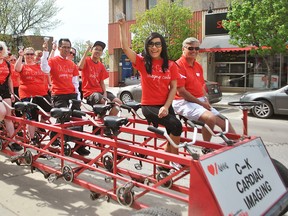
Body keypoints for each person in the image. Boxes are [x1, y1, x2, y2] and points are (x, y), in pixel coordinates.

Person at [118, 19, 183, 170]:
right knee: (176, 125)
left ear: (162, 46)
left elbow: (173, 88)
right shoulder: (142, 62)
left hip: (165, 105)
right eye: (151, 44)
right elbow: (125, 48)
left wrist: (166, 106)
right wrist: (122, 27)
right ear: (147, 47)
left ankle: (164, 166)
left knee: (172, 132)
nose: (154, 47)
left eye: (157, 44)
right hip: (149, 106)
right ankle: (176, 159)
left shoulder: (171, 65)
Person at [172, 37, 236, 142]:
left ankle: (237, 146)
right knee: (210, 118)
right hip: (182, 102)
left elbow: (201, 86)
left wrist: (206, 99)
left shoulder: (198, 66)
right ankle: (206, 146)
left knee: (225, 123)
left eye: (197, 48)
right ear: (183, 49)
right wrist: (201, 104)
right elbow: (181, 92)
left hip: (198, 101)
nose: (194, 51)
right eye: (191, 48)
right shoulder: (178, 65)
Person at [41, 38, 90, 156]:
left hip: (72, 94)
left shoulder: (72, 64)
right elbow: (44, 69)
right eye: (64, 47)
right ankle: (56, 135)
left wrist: (77, 98)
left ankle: (79, 145)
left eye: (69, 47)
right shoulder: (53, 61)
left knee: (79, 118)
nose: (67, 50)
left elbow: (75, 83)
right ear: (59, 48)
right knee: (64, 117)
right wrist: (45, 53)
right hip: (59, 95)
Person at [14, 47, 51, 144]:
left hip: (41, 93)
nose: (29, 56)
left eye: (31, 54)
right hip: (27, 94)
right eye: (27, 54)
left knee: (50, 111)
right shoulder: (22, 66)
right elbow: (16, 68)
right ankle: (32, 138)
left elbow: (47, 68)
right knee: (32, 116)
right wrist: (20, 56)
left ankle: (39, 126)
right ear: (24, 55)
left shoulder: (39, 66)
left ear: (34, 55)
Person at [78, 41, 122, 116]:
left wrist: (105, 93)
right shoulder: (86, 60)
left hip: (100, 92)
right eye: (96, 49)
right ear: (91, 50)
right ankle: (101, 118)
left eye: (100, 50)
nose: (98, 51)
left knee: (118, 103)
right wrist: (86, 50)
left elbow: (102, 82)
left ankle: (108, 122)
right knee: (104, 101)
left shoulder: (101, 66)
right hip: (90, 93)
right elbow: (79, 67)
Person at [0, 41, 22, 151]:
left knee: (8, 116)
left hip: (4, 90)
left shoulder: (7, 63)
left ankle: (13, 141)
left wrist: (12, 93)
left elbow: (9, 80)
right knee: (2, 112)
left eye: (0, 48)